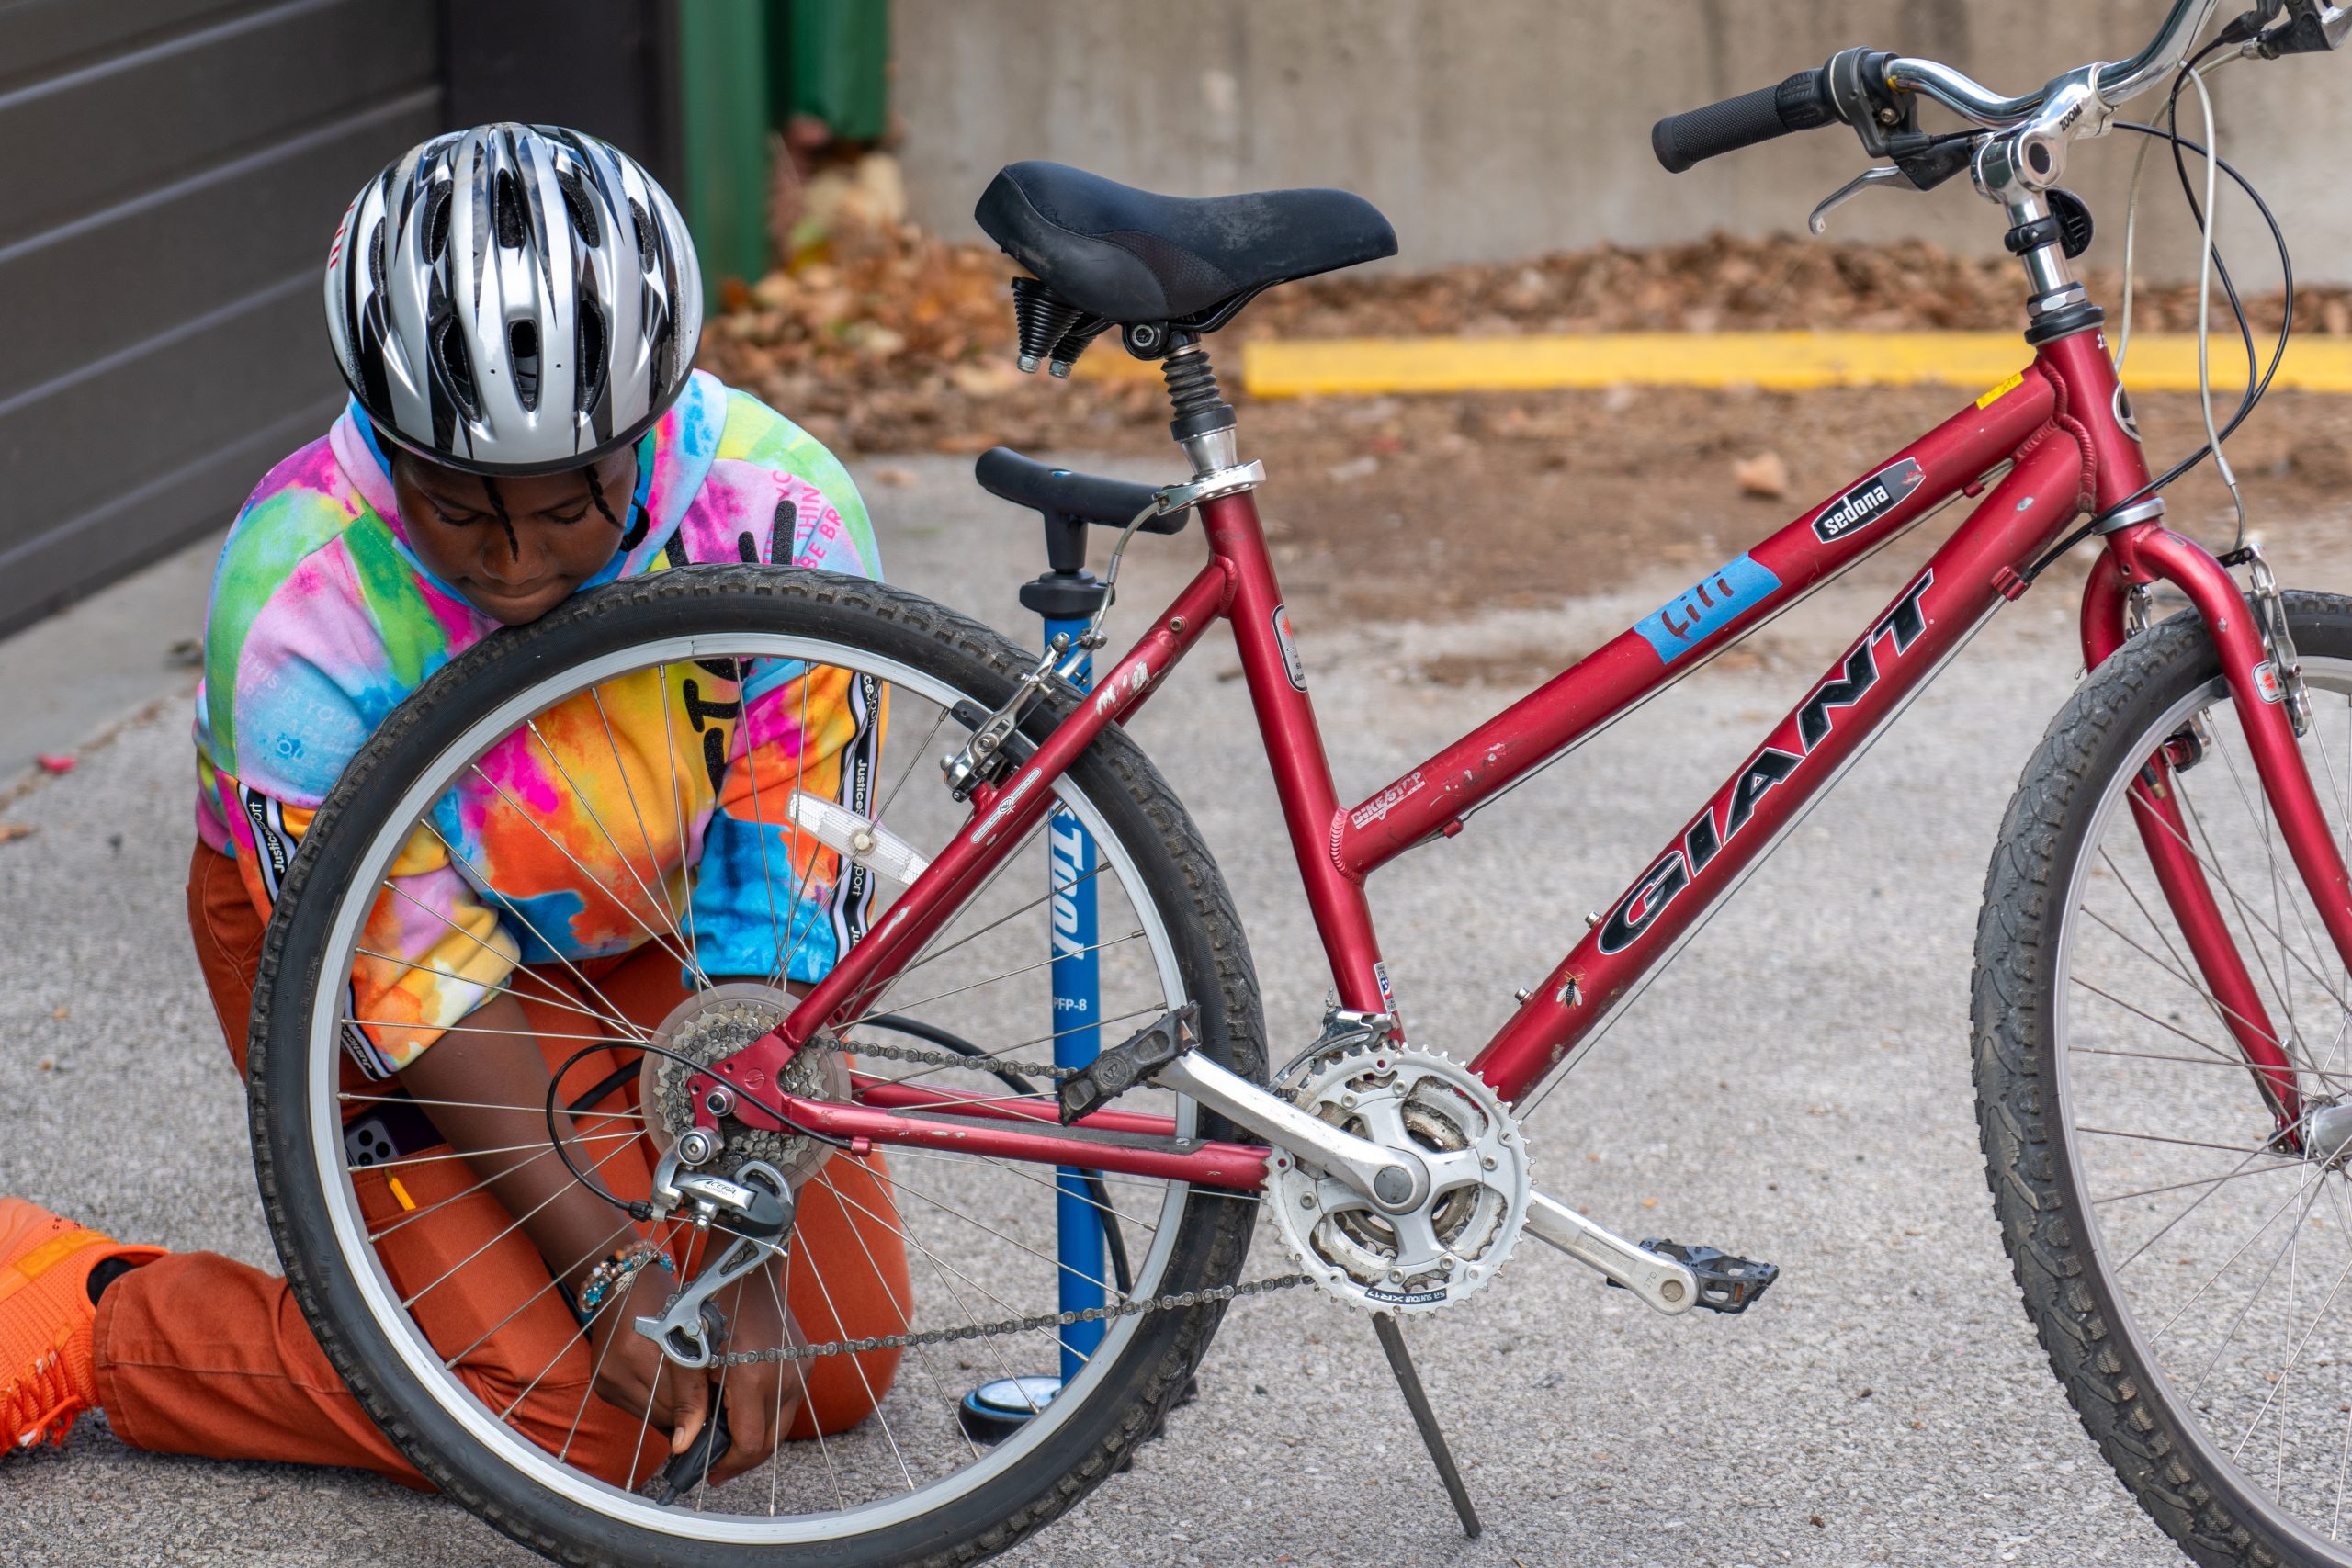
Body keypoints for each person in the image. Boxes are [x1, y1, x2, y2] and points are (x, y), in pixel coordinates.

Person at [0, 124, 907, 1492]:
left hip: (658, 929)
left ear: (647, 428)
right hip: (372, 959)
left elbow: (778, 895)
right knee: (557, 1417)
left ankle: (439, 1310)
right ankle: (93, 1307)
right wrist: (604, 1267)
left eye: (569, 509)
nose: (516, 566)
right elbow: (407, 972)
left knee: (828, 1361)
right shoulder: (300, 593)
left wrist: (740, 1235)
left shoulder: (779, 516)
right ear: (385, 436)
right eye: (456, 509)